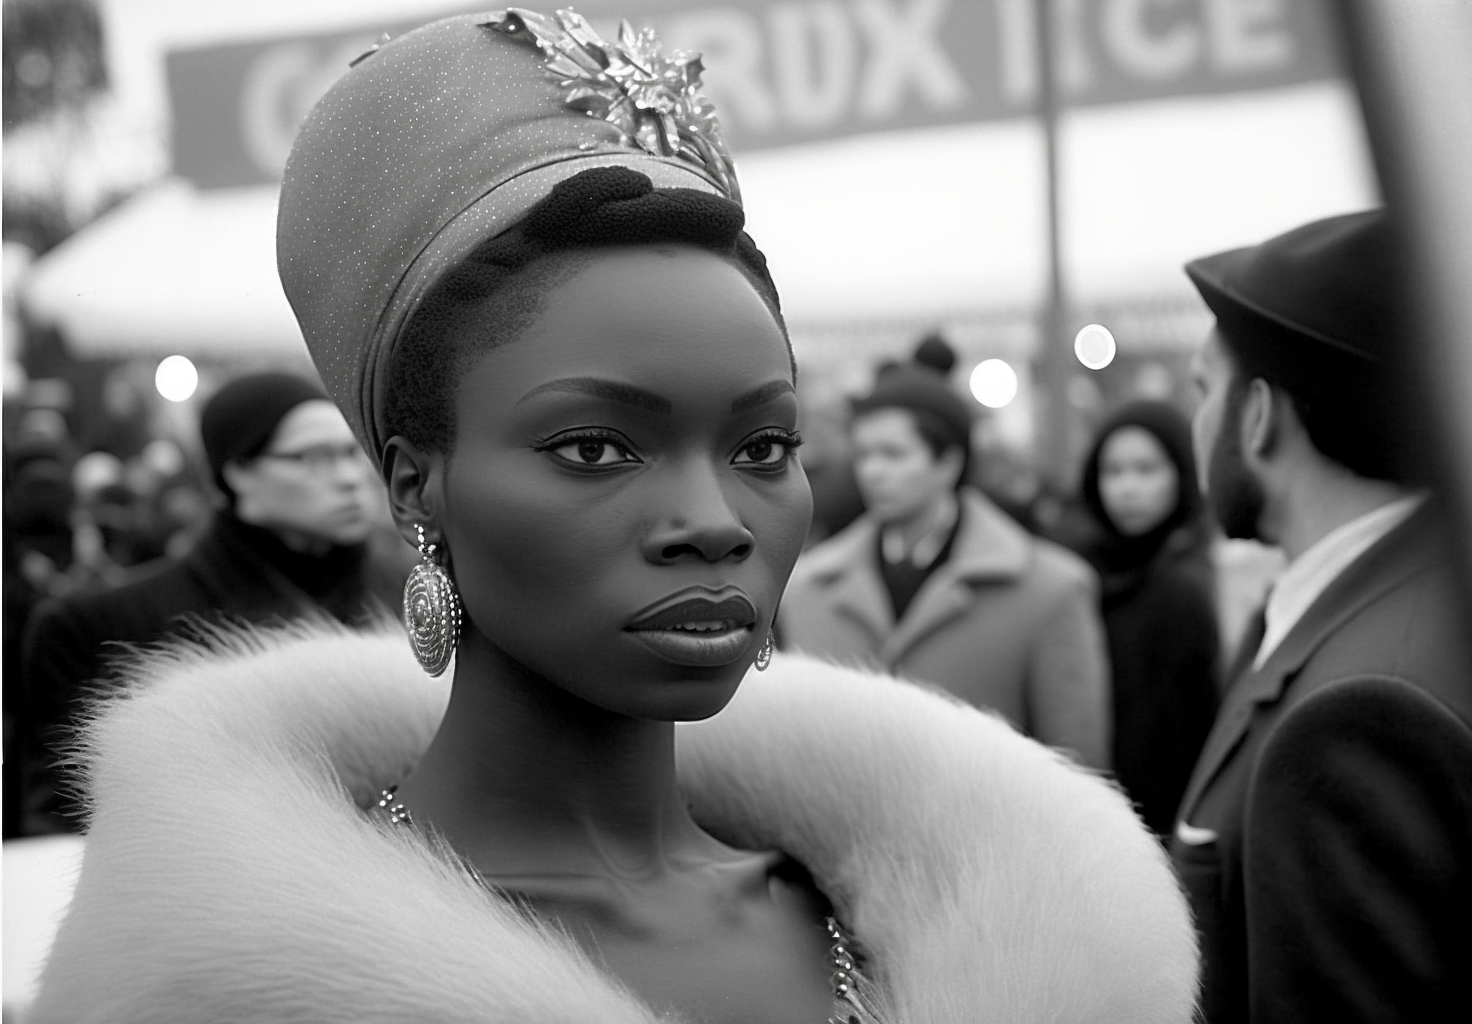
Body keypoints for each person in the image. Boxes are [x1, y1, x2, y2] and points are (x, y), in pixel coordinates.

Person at [27, 11, 1197, 1023]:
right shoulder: (222, 980)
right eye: (595, 447)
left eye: (763, 448)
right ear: (414, 483)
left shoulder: (1001, 936)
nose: (713, 520)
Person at [1171, 209, 1472, 1023]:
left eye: (1203, 390)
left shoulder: (1363, 715)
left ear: (1258, 415)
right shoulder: (1420, 598)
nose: (1195, 423)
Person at [17, 370, 399, 834]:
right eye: (313, 457)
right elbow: (61, 821)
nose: (349, 478)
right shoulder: (99, 627)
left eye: (352, 453)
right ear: (237, 471)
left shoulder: (412, 596)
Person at [779, 341, 1112, 769]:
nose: (872, 471)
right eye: (862, 455)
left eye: (893, 454)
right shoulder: (808, 589)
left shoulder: (1049, 590)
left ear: (949, 463)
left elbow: (1078, 767)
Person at [1076, 399, 1220, 838]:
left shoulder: (1189, 585)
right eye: (1113, 471)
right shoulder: (1077, 574)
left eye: (1146, 469)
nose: (1128, 488)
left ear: (1182, 474)